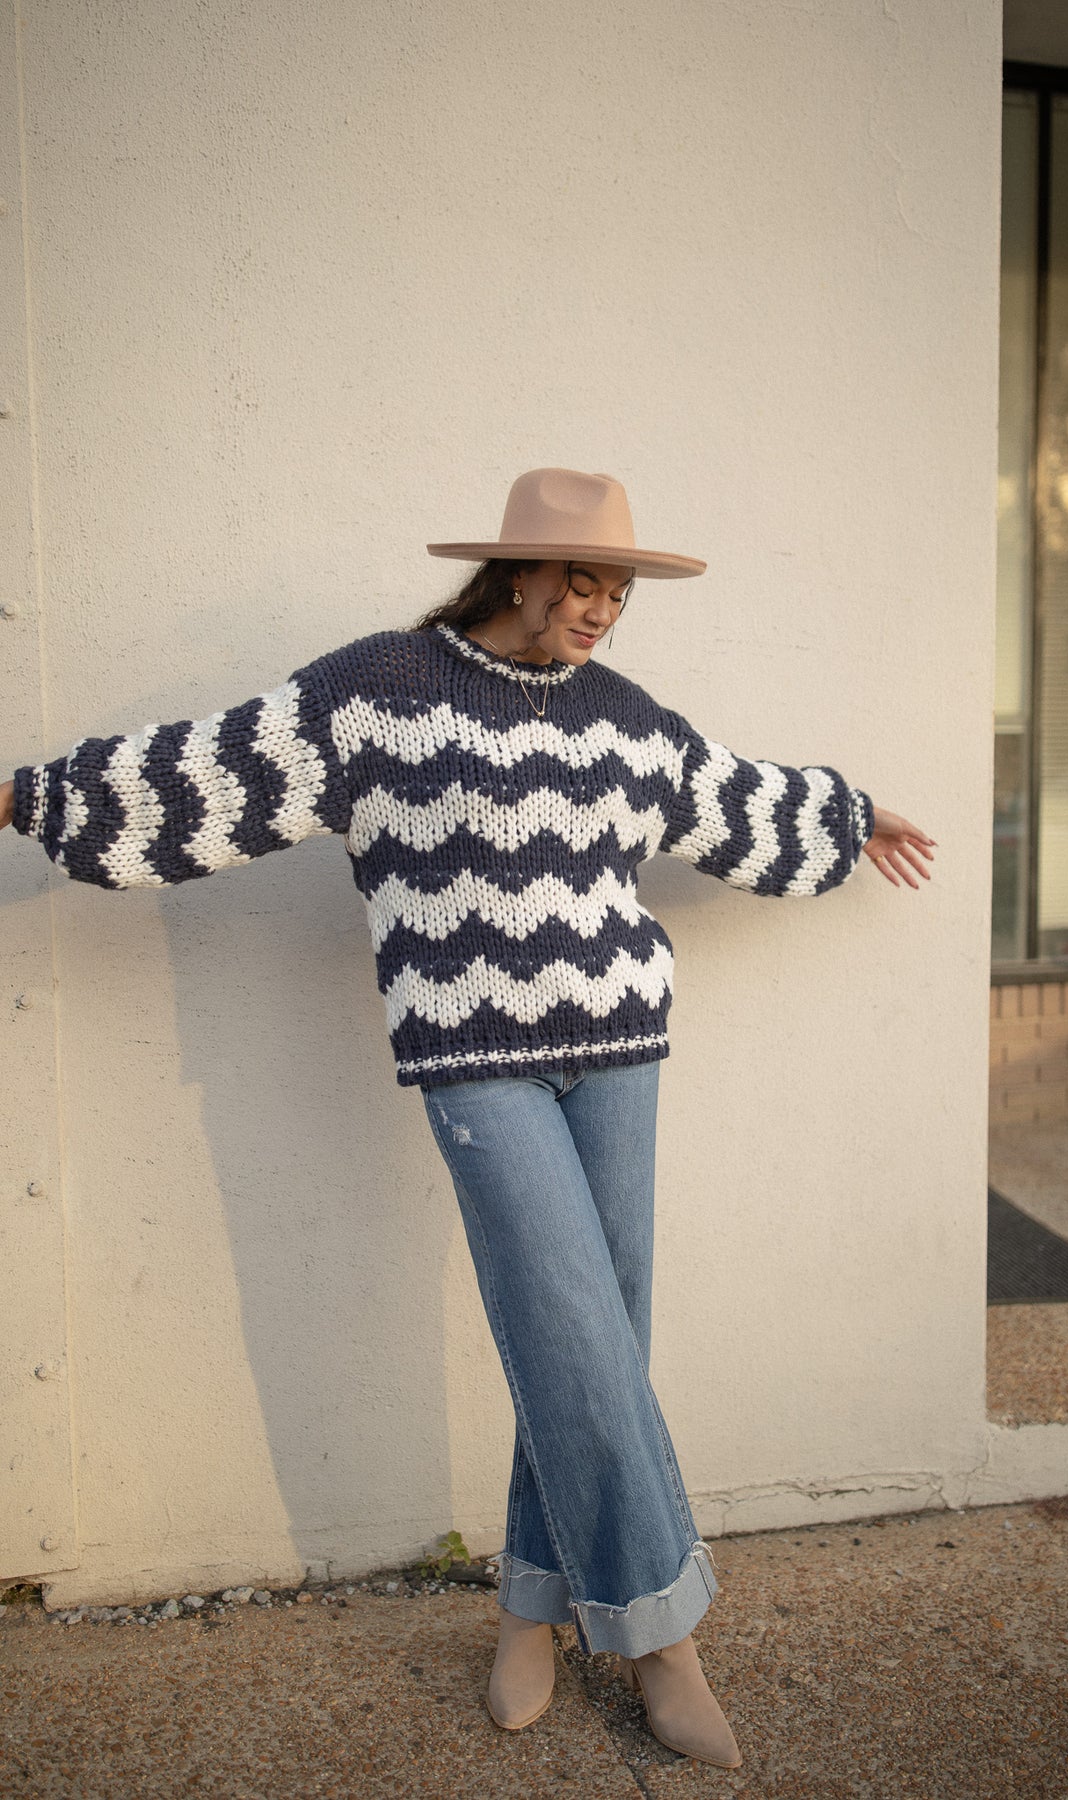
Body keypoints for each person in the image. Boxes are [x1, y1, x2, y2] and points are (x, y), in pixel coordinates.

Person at [0, 467, 934, 1770]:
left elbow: (723, 797)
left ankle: (531, 1612)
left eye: (618, 586)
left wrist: (842, 815)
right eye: (583, 580)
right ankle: (667, 1642)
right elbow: (209, 772)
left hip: (622, 1048)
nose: (603, 606)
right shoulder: (378, 691)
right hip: (475, 1063)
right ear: (516, 573)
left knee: (600, 1331)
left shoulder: (619, 716)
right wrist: (24, 798)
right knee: (568, 1320)